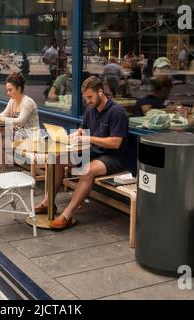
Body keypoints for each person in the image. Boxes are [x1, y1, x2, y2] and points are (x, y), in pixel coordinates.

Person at [35, 76, 129, 230]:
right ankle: (47, 202)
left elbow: (115, 142)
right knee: (57, 158)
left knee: (87, 171)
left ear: (100, 92)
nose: (88, 101)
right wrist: (77, 133)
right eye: (86, 98)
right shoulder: (91, 109)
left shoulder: (117, 112)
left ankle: (67, 214)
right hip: (91, 152)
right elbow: (83, 128)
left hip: (113, 157)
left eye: (90, 97)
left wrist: (88, 137)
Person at [0, 73, 40, 167]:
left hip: (30, 135)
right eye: (7, 90)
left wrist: (1, 119)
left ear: (19, 89)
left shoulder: (27, 102)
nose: (8, 93)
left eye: (10, 90)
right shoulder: (12, 100)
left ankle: (4, 165)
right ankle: (1, 159)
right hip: (18, 133)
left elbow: (20, 121)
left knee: (1, 139)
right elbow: (4, 114)